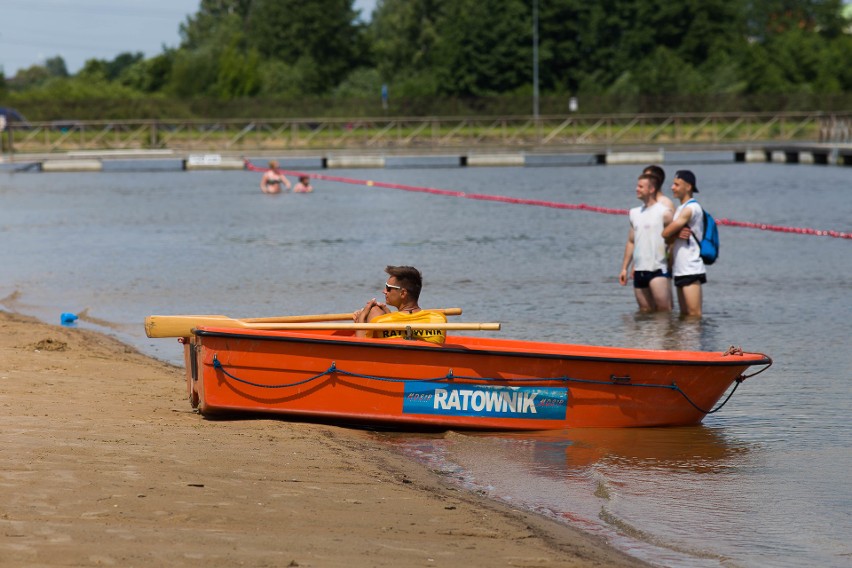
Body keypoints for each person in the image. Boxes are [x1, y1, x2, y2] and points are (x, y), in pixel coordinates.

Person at [619, 173, 673, 312]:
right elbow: (631, 241)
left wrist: (671, 263)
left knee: (663, 311)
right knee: (644, 312)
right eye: (637, 186)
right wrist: (625, 267)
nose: (637, 189)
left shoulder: (664, 213)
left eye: (641, 187)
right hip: (639, 271)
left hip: (658, 269)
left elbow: (673, 241)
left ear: (651, 189)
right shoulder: (634, 213)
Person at [353, 266, 447, 344]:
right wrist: (388, 313)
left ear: (403, 293)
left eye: (388, 288)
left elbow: (362, 348)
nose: (384, 291)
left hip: (393, 362)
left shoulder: (379, 322)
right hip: (428, 362)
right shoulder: (440, 319)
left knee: (375, 310)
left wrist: (361, 318)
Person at [662, 170, 706, 317]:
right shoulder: (680, 209)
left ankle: (695, 341)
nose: (672, 187)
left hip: (691, 268)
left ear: (688, 187)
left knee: (694, 316)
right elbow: (668, 239)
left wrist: (672, 233)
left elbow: (665, 233)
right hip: (680, 268)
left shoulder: (691, 208)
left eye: (676, 184)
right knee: (684, 316)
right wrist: (675, 234)